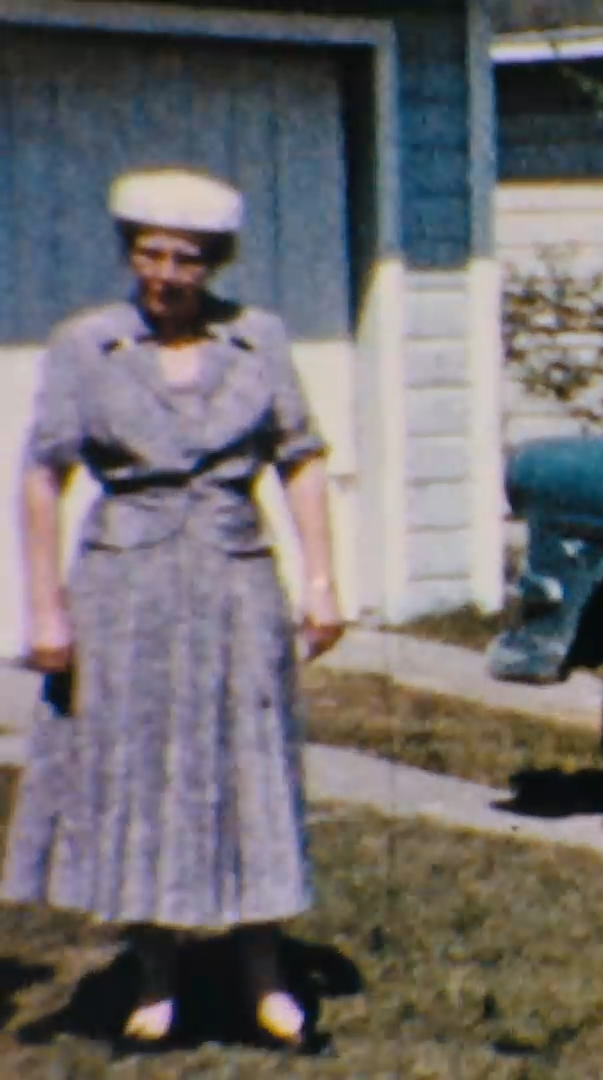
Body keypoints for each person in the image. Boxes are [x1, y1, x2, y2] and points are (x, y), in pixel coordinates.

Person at [2, 167, 345, 1045]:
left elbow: (300, 458)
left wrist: (321, 582)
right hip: (126, 588)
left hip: (234, 577)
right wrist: (43, 608)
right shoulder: (87, 346)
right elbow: (43, 473)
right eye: (150, 254)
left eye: (187, 259)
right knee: (137, 774)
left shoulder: (259, 340)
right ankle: (153, 980)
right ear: (129, 254)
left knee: (250, 766)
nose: (165, 274)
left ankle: (265, 975)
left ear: (215, 262)